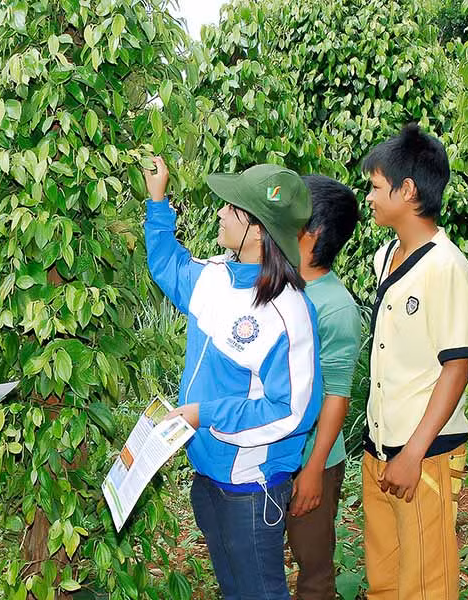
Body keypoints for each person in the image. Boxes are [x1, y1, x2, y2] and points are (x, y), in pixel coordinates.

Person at [144, 157, 322, 600]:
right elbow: (169, 267)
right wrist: (157, 199)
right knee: (233, 590)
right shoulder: (216, 279)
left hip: (251, 488)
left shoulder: (289, 313)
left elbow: (293, 411)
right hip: (208, 477)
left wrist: (205, 413)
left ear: (257, 230)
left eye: (231, 208)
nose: (220, 213)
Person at [361, 124, 468, 599]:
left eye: (374, 185)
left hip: (422, 456)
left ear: (407, 191)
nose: (367, 196)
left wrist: (412, 454)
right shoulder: (386, 255)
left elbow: (457, 367)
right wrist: (386, 449)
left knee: (426, 585)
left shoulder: (446, 267)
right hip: (379, 449)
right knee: (385, 579)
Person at [285, 175, 362, 599]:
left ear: (311, 233)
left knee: (313, 569)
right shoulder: (276, 283)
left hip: (315, 458)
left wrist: (314, 470)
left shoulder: (335, 307)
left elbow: (337, 394)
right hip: (269, 454)